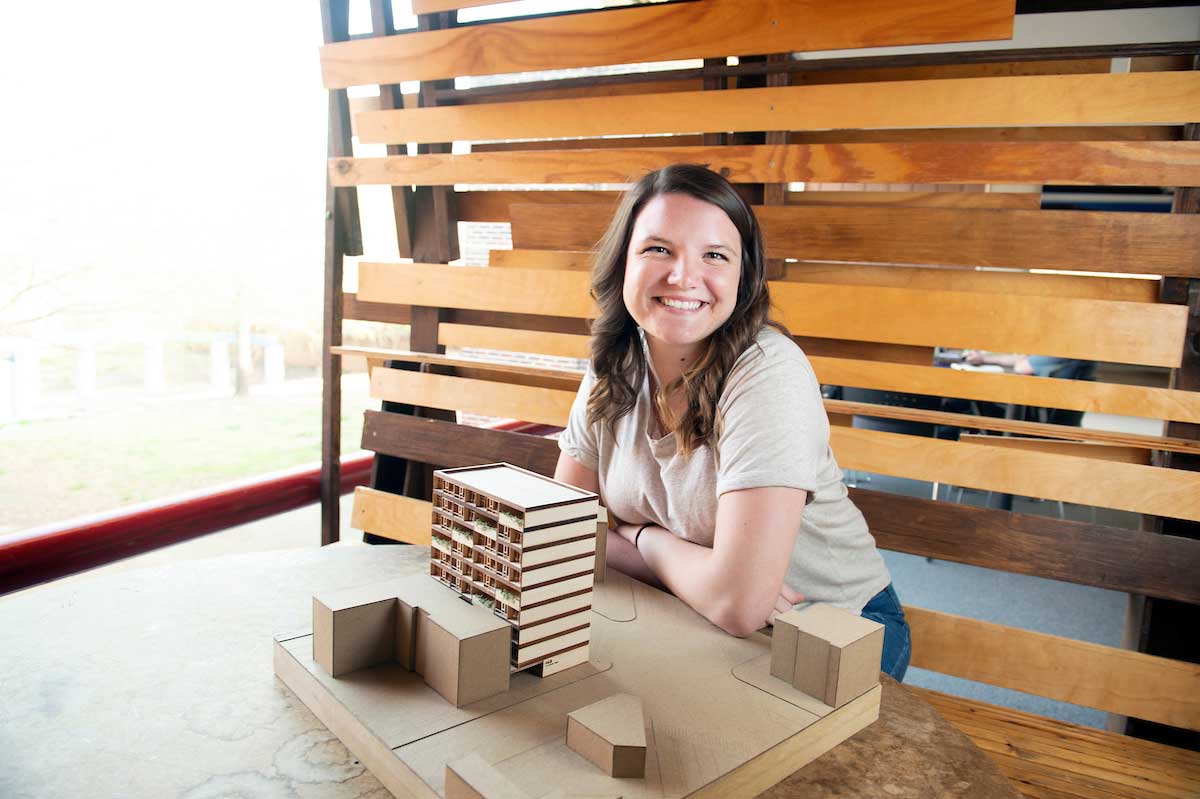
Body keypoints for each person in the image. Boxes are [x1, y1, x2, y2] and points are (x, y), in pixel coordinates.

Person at [553, 164, 910, 681]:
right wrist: (686, 564)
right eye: (658, 249)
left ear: (742, 279)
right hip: (688, 612)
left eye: (714, 256)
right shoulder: (614, 366)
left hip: (830, 628)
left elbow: (740, 604)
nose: (682, 276)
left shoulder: (768, 374)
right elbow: (561, 534)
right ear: (621, 264)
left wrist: (641, 538)